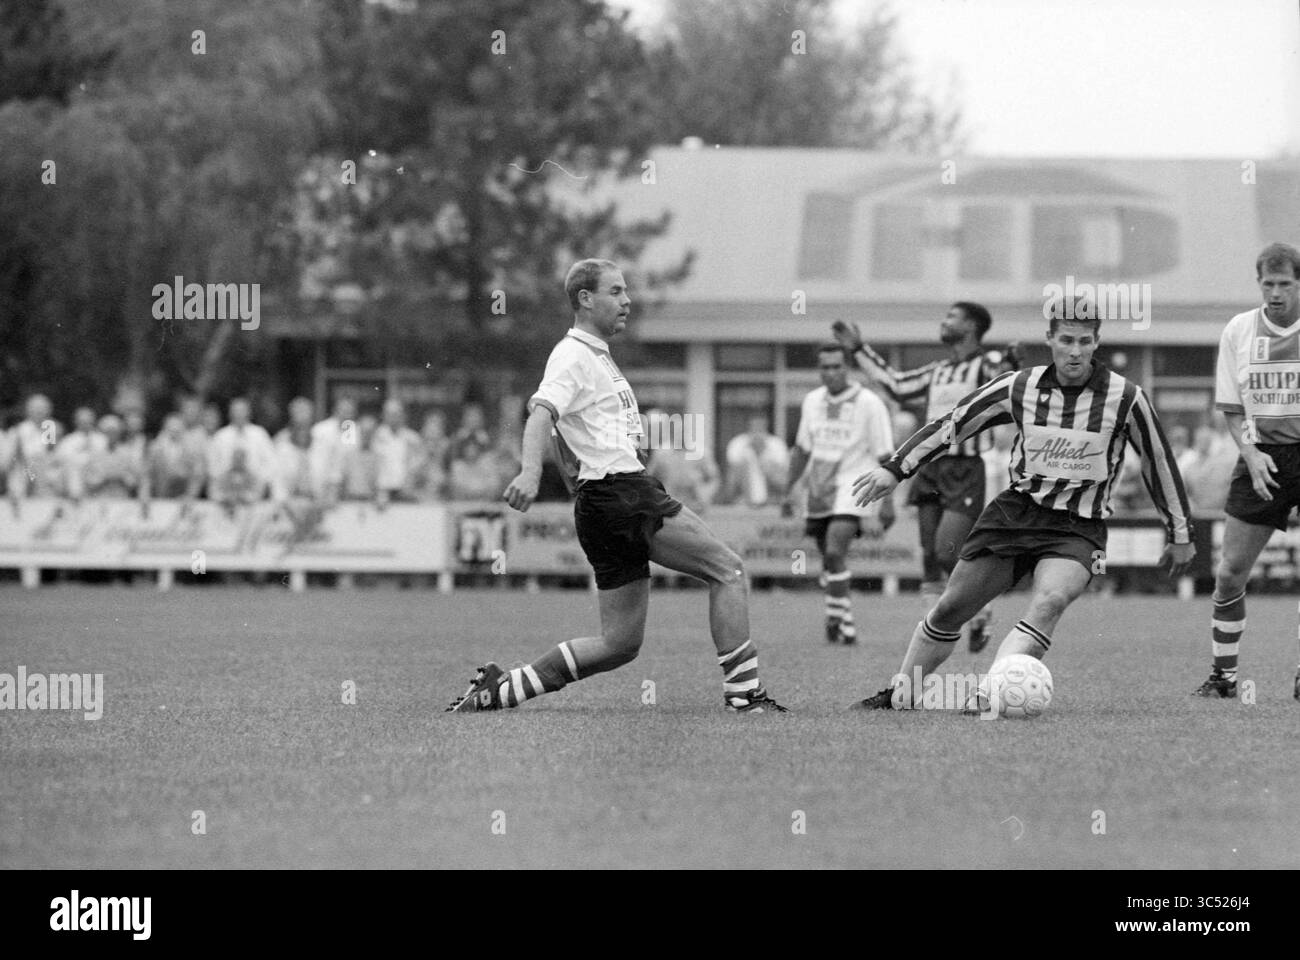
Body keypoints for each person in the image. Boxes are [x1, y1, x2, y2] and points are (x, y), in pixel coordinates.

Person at [447, 258, 786, 714]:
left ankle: (502, 690)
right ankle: (745, 696)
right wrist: (530, 473)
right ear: (585, 299)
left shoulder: (596, 356)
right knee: (728, 570)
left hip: (599, 501)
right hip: (622, 494)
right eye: (616, 291)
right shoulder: (573, 355)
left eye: (625, 292)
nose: (627, 301)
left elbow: (565, 428)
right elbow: (541, 416)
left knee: (620, 644)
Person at [850, 304, 1195, 711]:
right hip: (1016, 514)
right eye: (1065, 340)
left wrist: (1180, 532)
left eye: (1085, 341)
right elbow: (952, 424)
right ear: (1049, 340)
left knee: (1050, 600)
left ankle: (991, 695)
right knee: (949, 609)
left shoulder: (1126, 398)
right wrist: (896, 469)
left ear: (1097, 343)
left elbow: (1159, 461)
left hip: (1078, 526)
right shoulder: (1019, 386)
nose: (1074, 351)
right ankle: (902, 695)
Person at [834, 303, 1018, 652]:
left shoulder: (986, 365)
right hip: (930, 468)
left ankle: (980, 611)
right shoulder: (938, 371)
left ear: (972, 326)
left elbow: (1003, 376)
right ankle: (932, 631)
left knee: (948, 550)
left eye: (952, 317)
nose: (944, 321)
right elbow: (897, 385)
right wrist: (859, 350)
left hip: (966, 469)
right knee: (930, 557)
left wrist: (1010, 363)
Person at [1193, 242, 1300, 700]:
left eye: (1285, 284)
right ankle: (1223, 677)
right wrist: (1251, 454)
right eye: (1268, 284)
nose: (1275, 293)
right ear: (1259, 283)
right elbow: (1232, 410)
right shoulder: (1238, 330)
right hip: (1262, 459)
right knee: (1230, 571)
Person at [781, 344, 894, 644]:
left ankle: (836, 620)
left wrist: (888, 503)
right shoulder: (812, 401)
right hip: (819, 488)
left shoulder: (870, 403)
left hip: (854, 488)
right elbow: (803, 448)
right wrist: (789, 488)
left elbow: (885, 454)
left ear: (848, 368)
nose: (830, 373)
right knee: (830, 562)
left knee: (834, 550)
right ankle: (843, 620)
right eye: (825, 367)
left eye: (836, 366)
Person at [207, 397, 276, 510]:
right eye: (235, 411)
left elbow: (270, 463)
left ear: (249, 412)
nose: (239, 414)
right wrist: (227, 486)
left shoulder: (260, 434)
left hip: (255, 493)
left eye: (242, 410)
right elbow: (213, 466)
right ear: (230, 413)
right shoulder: (220, 436)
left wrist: (257, 484)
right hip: (226, 494)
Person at [723, 415, 788, 507]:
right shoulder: (737, 442)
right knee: (742, 466)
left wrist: (763, 460)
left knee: (771, 468)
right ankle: (744, 500)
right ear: (749, 429)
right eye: (754, 429)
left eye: (760, 429)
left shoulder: (776, 443)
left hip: (772, 483)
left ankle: (771, 500)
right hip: (744, 482)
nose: (757, 433)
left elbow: (782, 471)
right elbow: (733, 470)